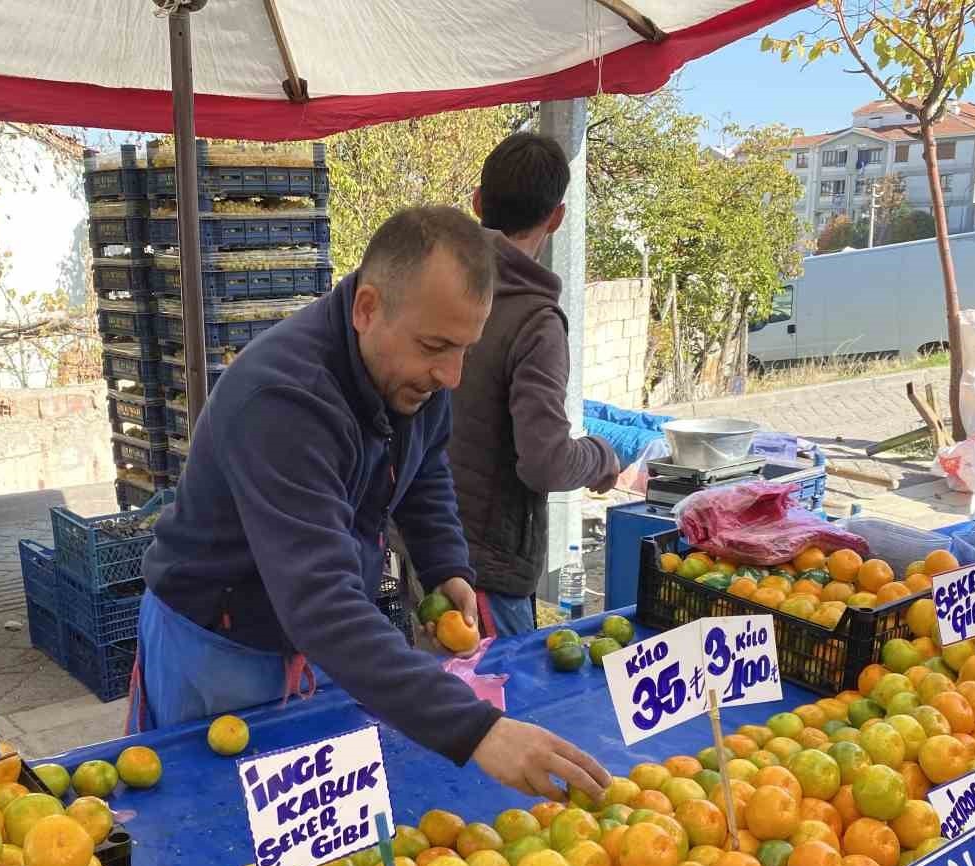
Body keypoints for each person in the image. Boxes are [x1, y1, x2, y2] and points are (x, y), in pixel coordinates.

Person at [136, 206, 609, 802]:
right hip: (219, 642)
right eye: (436, 346)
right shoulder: (284, 401)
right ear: (366, 308)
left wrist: (446, 566)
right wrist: (477, 729)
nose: (454, 374)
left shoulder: (415, 375)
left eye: (465, 348)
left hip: (314, 636)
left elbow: (425, 470)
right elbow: (321, 601)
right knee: (213, 830)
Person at [448, 132, 619, 638]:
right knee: (499, 706)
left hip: (428, 548)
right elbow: (544, 461)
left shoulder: (437, 286)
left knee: (441, 700)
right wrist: (602, 457)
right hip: (487, 571)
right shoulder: (535, 322)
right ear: (557, 217)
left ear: (478, 203)